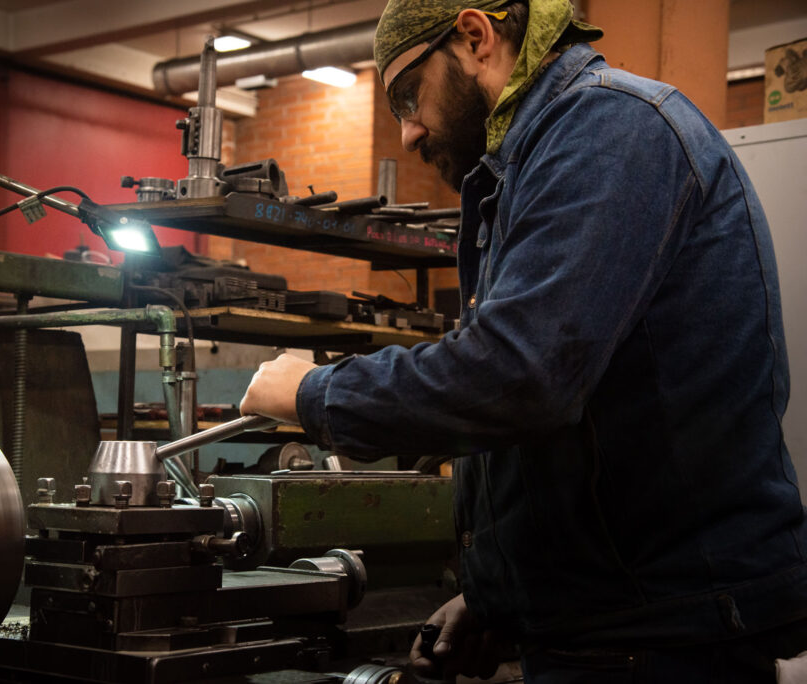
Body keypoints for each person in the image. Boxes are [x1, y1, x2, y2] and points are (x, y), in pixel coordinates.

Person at [240, 0, 807, 681]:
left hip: (659, 639)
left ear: (475, 36)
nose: (408, 134)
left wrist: (314, 392)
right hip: (613, 623)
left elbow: (519, 376)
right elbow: (564, 432)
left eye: (408, 97)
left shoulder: (610, 129)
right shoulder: (537, 160)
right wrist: (496, 597)